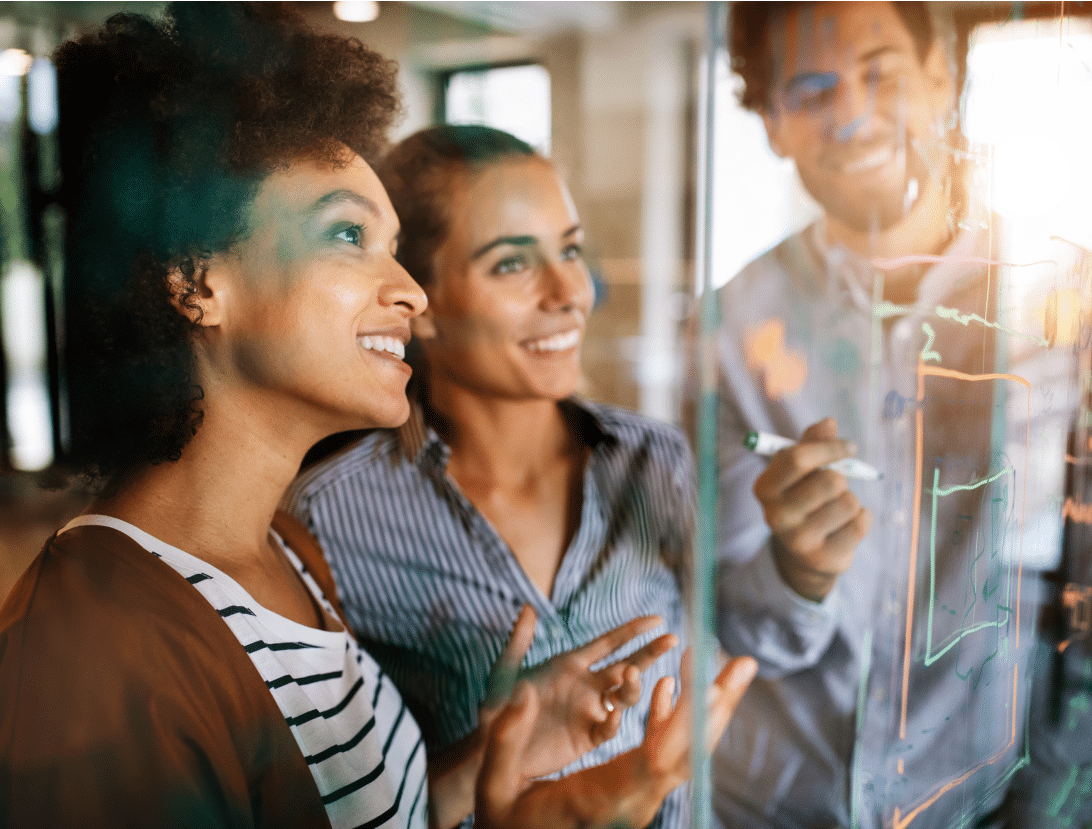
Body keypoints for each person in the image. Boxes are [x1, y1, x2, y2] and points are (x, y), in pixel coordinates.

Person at [0, 5, 755, 828]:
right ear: (197, 281)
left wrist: (489, 757)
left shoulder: (292, 554)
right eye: (348, 234)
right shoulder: (93, 653)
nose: (411, 291)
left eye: (392, 244)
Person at [284, 124, 753, 829]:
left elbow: (757, 631)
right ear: (424, 302)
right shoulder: (327, 517)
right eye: (512, 264)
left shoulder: (659, 461)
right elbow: (336, 803)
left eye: (569, 248)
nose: (572, 290)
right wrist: (484, 750)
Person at [707, 2, 1076, 828]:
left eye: (882, 73)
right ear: (772, 123)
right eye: (811, 88)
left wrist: (1052, 803)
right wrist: (796, 574)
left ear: (941, 78)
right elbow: (721, 617)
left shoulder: (1064, 306)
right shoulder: (729, 329)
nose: (853, 113)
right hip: (774, 806)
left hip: (993, 802)